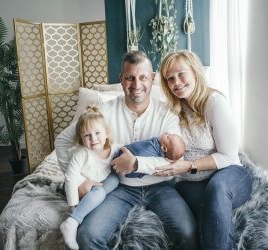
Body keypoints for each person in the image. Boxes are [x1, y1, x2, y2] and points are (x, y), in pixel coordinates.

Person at [55, 50, 197, 249]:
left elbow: (175, 159)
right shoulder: (103, 111)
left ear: (153, 79)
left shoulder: (167, 112)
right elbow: (62, 141)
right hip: (118, 187)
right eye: (130, 78)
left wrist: (136, 163)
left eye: (143, 78)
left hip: (162, 187)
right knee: (87, 236)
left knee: (189, 234)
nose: (136, 85)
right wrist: (78, 181)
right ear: (121, 79)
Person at [155, 50, 253, 250]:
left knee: (217, 190)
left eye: (181, 74)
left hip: (229, 174)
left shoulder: (215, 103)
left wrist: (188, 166)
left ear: (195, 72)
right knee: (208, 219)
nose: (176, 82)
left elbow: (228, 155)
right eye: (170, 79)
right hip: (191, 183)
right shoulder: (172, 110)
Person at [59, 105, 119, 249]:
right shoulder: (82, 153)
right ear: (81, 138)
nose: (93, 139)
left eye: (97, 133)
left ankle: (92, 201)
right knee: (99, 191)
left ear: (107, 133)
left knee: (115, 180)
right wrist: (73, 206)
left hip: (100, 181)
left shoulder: (115, 149)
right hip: (76, 185)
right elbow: (70, 178)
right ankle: (72, 221)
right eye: (87, 135)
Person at [119, 132, 185, 178]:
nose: (167, 133)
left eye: (168, 136)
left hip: (123, 156)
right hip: (127, 172)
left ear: (164, 148)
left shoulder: (154, 145)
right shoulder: (162, 157)